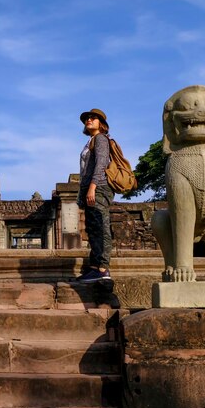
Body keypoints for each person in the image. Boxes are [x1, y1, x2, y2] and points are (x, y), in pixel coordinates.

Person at [77, 108, 113, 283]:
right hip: (90, 189)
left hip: (98, 188)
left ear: (102, 124)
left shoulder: (101, 139)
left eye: (93, 118)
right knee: (92, 228)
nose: (89, 120)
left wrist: (92, 187)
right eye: (87, 119)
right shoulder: (91, 140)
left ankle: (103, 268)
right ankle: (94, 267)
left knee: (100, 227)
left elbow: (101, 165)